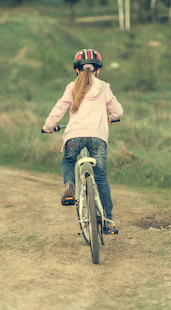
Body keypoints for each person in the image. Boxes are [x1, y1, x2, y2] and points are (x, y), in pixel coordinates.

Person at [42, 49, 123, 230]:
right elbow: (118, 111)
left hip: (74, 136)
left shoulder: (72, 87)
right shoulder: (104, 87)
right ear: (98, 70)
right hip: (97, 137)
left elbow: (59, 109)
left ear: (77, 70)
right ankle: (108, 222)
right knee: (101, 178)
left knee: (69, 161)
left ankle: (69, 186)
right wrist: (113, 118)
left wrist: (48, 127)